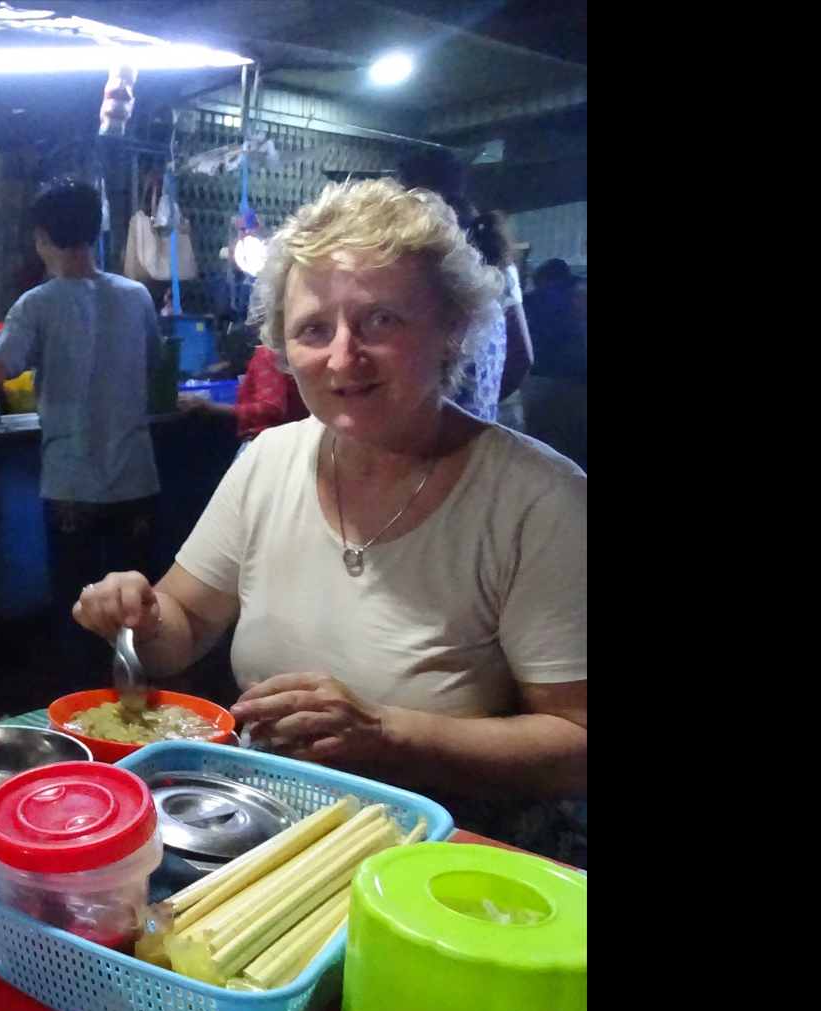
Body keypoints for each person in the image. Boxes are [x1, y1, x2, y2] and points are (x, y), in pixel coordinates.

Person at [70, 179, 587, 867]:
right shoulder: (270, 459)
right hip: (267, 828)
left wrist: (384, 732)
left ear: (451, 327)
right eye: (315, 329)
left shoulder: (537, 499)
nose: (343, 357)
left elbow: (576, 747)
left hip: (450, 856)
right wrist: (135, 613)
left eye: (380, 321)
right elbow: (184, 624)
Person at [0, 181, 165, 692]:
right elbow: (156, 365)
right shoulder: (137, 296)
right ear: (95, 231)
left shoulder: (38, 303)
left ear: (43, 237)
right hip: (135, 478)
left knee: (76, 606)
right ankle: (139, 700)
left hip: (71, 481)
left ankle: (81, 708)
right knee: (134, 604)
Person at [393, 148, 532, 428]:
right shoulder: (495, 256)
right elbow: (521, 355)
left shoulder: (412, 257)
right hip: (474, 433)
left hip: (421, 436)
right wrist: (479, 403)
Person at [178, 343, 310, 454]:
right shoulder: (293, 351)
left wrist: (209, 406)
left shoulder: (267, 353)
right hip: (294, 444)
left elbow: (271, 408)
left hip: (264, 446)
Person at [518, 258, 587, 471]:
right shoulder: (577, 299)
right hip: (577, 384)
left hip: (538, 384)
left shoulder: (528, 302)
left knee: (544, 459)